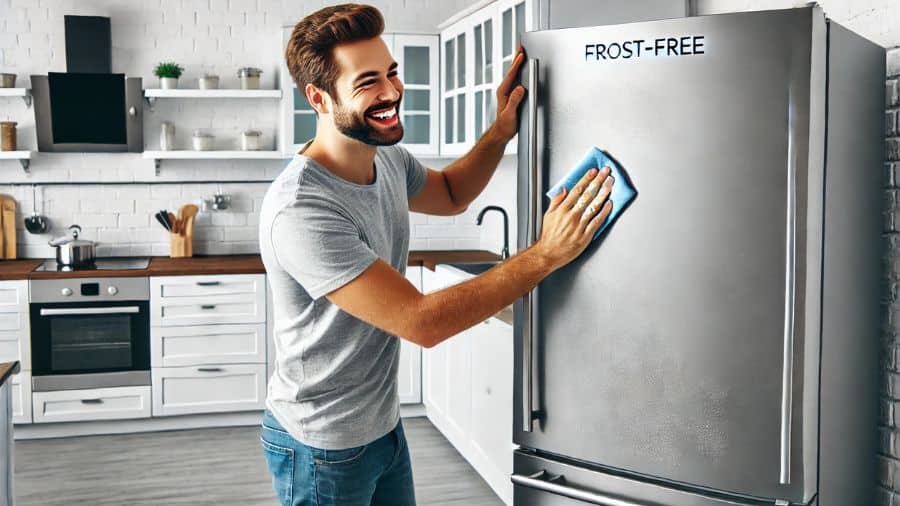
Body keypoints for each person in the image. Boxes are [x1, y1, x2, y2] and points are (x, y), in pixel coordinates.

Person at [258, 4, 614, 505]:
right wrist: (547, 253)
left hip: (381, 426)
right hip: (322, 445)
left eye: (392, 73)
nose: (391, 92)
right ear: (319, 98)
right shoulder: (302, 208)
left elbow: (450, 194)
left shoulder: (385, 157)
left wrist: (501, 128)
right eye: (367, 82)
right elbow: (421, 321)